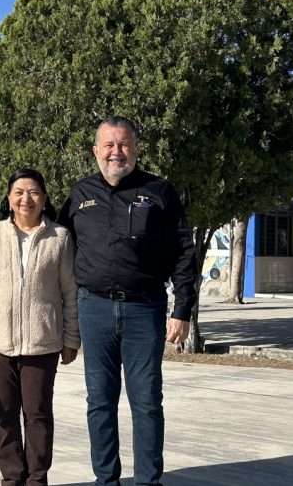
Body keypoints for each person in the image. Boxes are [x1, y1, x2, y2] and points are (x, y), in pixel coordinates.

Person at [57, 116, 198, 485]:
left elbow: (184, 252)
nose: (116, 152)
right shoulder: (79, 194)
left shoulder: (159, 191)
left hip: (144, 309)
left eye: (123, 145)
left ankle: (148, 481)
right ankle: (107, 480)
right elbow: (58, 246)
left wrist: (182, 308)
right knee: (99, 403)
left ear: (135, 149)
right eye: (109, 145)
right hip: (94, 309)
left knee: (147, 402)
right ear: (95, 151)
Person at [0, 168, 80, 486]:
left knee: (38, 415)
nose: (26, 198)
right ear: (9, 198)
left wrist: (71, 338)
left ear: (44, 199)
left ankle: (36, 478)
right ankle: (12, 477)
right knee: (3, 414)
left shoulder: (59, 238)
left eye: (33, 192)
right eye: (19, 192)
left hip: (43, 345)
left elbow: (70, 292)